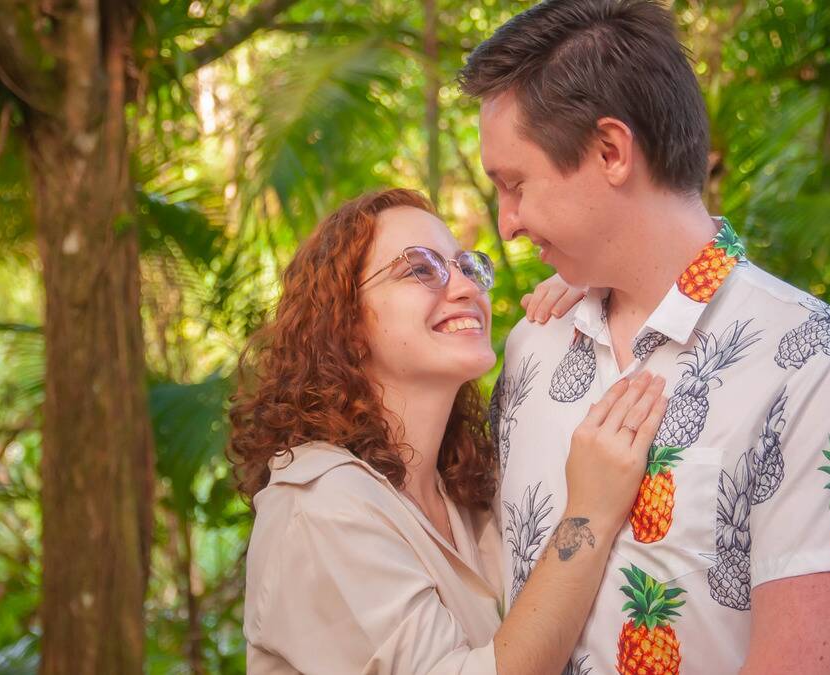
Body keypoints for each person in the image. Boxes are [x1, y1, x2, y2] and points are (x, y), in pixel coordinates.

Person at [459, 1, 830, 673]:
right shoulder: (532, 347)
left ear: (610, 151)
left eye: (514, 186)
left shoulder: (818, 361)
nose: (507, 224)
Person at [229, 187, 668, 674]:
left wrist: (597, 294)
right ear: (346, 326)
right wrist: (589, 513)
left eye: (465, 266)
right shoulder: (317, 506)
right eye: (419, 268)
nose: (464, 287)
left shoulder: (463, 493)